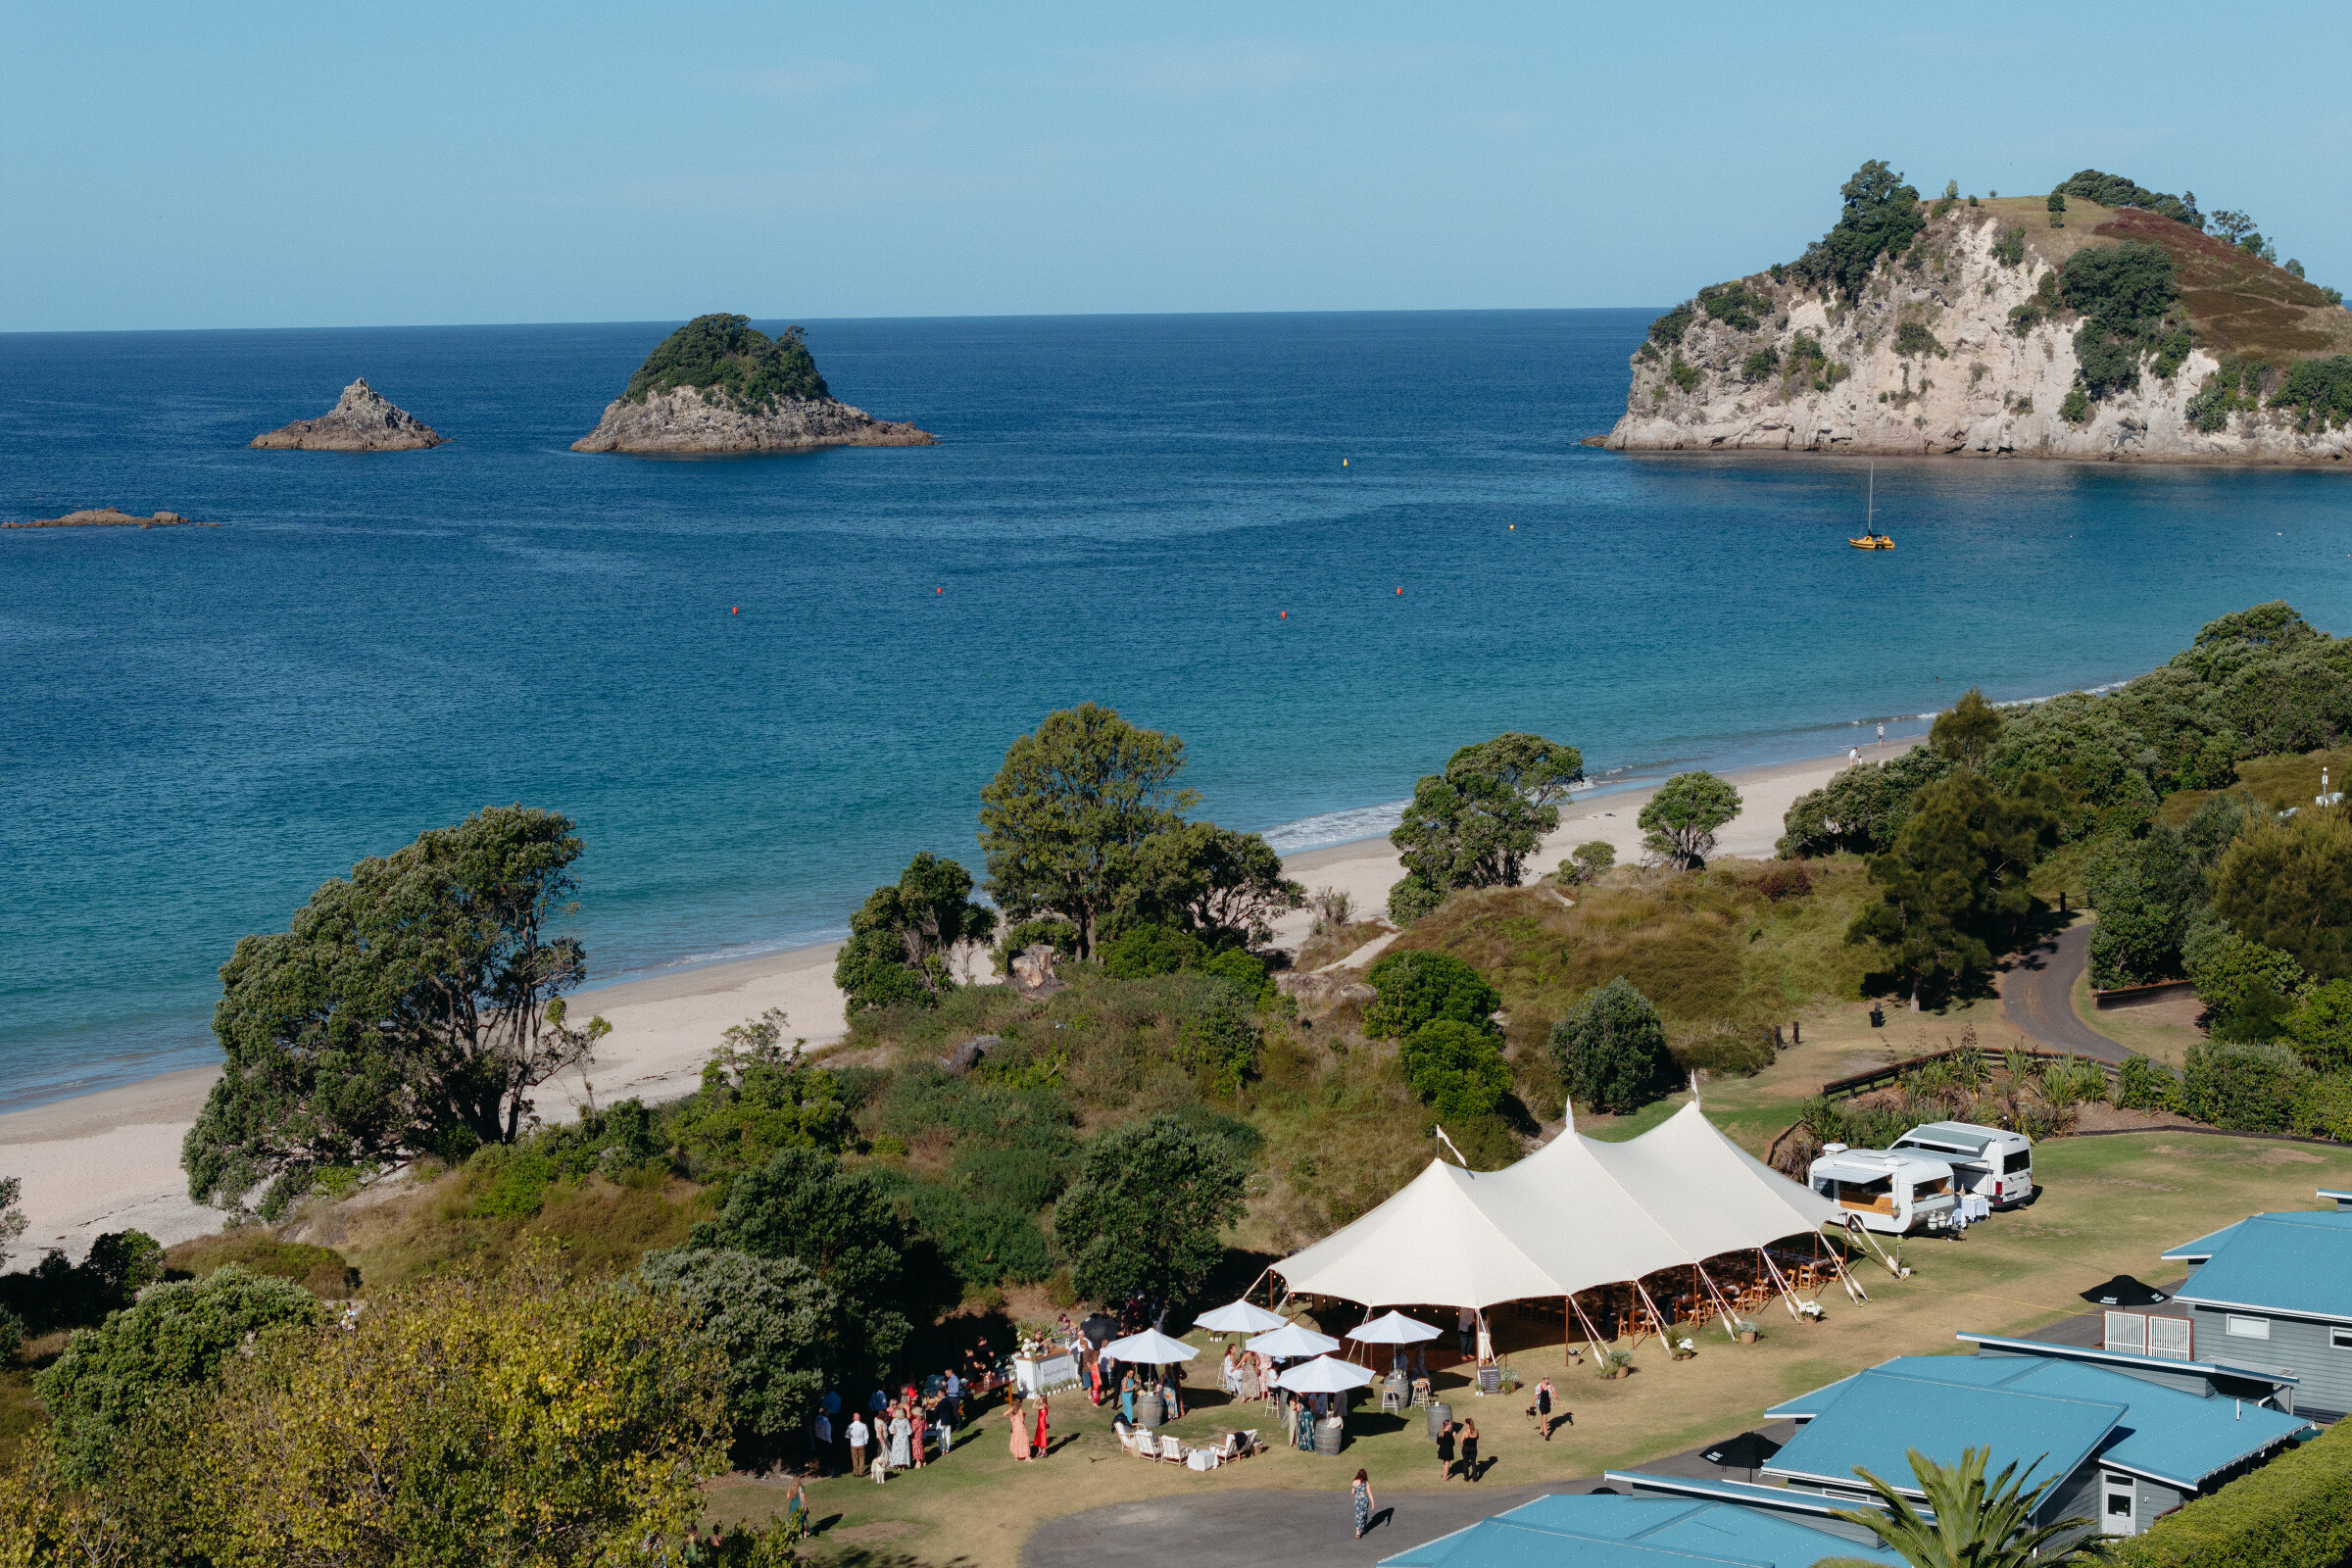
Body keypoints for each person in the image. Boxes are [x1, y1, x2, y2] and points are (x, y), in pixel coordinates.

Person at [1351, 1469, 1376, 1540]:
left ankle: (1358, 1530)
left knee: (1358, 1515)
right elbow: (1369, 1493)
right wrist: (1373, 1503)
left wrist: (1357, 1490)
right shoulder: (1366, 1482)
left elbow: (1353, 1492)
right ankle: (1363, 1527)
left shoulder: (1354, 1481)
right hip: (1364, 1500)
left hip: (1357, 1500)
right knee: (1364, 1514)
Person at [888, 1402, 912, 1470]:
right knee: (904, 1451)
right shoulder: (906, 1421)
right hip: (904, 1437)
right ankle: (903, 1465)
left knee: (897, 1451)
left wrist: (893, 1432)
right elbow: (909, 1431)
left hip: (897, 1437)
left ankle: (898, 1465)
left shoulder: (894, 1421)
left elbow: (890, 1429)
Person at [1531, 1376, 1556, 1440]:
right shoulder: (1539, 1386)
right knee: (1544, 1417)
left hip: (1547, 1404)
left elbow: (1554, 1393)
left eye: (1548, 1379)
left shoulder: (1550, 1386)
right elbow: (1535, 1396)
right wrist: (1532, 1405)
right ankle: (1546, 1435)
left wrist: (1557, 1399)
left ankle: (1541, 1430)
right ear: (1543, 1379)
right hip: (1541, 1404)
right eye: (1546, 1379)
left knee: (1543, 1416)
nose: (1547, 1380)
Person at [846, 1410, 870, 1480]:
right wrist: (865, 1442)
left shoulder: (850, 1426)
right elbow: (866, 1435)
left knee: (854, 1458)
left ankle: (856, 1472)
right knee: (862, 1458)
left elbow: (847, 1435)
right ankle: (861, 1472)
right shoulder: (864, 1426)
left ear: (854, 1418)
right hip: (861, 1444)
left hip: (853, 1444)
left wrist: (852, 1438)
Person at [812, 1408, 833, 1478]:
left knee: (821, 1457)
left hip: (818, 1439)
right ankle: (826, 1471)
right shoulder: (826, 1422)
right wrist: (830, 1442)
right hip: (825, 1441)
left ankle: (822, 1472)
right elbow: (828, 1433)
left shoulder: (817, 1419)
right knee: (826, 1457)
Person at [1435, 1417, 1456, 1482]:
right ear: (1447, 1425)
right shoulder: (1449, 1434)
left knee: (1444, 1462)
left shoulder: (1440, 1432)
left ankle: (1444, 1474)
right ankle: (1445, 1478)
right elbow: (1452, 1444)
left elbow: (1438, 1442)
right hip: (1448, 1451)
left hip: (1442, 1450)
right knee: (1447, 1463)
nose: (1451, 1424)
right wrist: (1453, 1436)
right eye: (1450, 1424)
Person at [1460, 1417, 1481, 1483]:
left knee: (1465, 1462)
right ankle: (1475, 1478)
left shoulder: (1465, 1432)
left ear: (1467, 1424)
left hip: (1466, 1448)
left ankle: (1466, 1478)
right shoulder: (1476, 1431)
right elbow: (1477, 1437)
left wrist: (1465, 1441)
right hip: (1473, 1448)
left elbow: (1461, 1441)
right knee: (1473, 1463)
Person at [909, 1396, 928, 1467]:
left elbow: (913, 1430)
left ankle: (918, 1461)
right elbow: (926, 1428)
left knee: (916, 1448)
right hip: (921, 1436)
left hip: (915, 1437)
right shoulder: (923, 1420)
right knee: (921, 1448)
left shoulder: (914, 1421)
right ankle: (923, 1460)